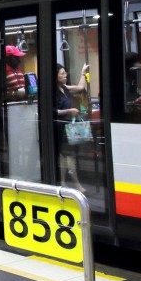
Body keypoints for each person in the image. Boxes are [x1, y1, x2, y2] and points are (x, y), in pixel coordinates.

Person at [54, 63, 90, 191]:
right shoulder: (53, 92)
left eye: (65, 73)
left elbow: (80, 87)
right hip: (61, 127)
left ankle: (63, 182)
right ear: (55, 76)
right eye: (62, 73)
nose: (65, 75)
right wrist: (68, 111)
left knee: (64, 157)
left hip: (69, 126)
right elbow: (52, 111)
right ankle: (77, 184)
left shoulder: (65, 88)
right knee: (70, 156)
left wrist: (83, 72)